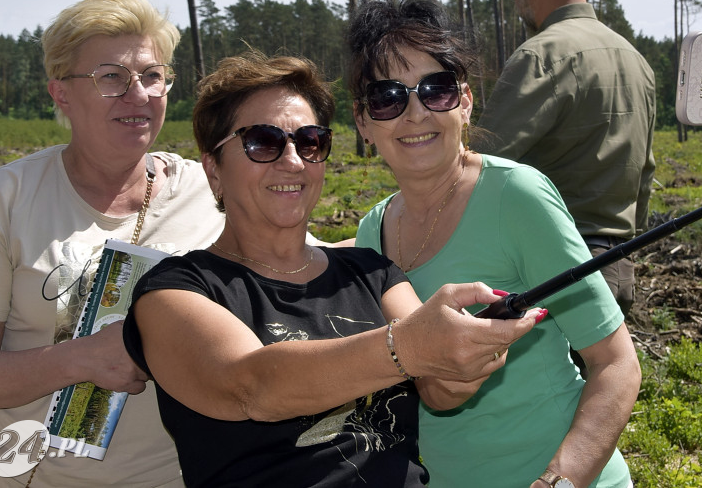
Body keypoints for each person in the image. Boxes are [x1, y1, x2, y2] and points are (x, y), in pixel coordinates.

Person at [122, 51, 543, 488]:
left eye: (310, 142)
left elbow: (438, 388)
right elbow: (252, 386)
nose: (292, 161)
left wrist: (465, 357)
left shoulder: (371, 271)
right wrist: (411, 347)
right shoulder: (175, 291)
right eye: (263, 142)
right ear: (213, 169)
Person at [348, 0, 641, 488]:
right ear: (363, 122)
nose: (414, 114)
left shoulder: (515, 197)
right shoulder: (370, 234)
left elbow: (615, 362)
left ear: (464, 101)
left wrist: (561, 480)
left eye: (435, 89)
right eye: (387, 98)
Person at [0, 0, 224, 487]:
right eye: (111, 77)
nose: (140, 94)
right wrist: (81, 359)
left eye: (153, 75)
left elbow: (303, 261)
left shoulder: (210, 192)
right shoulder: (8, 198)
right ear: (61, 94)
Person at [476, 0, 656, 317]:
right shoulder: (635, 59)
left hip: (553, 272)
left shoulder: (540, 56)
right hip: (617, 267)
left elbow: (478, 162)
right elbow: (645, 172)